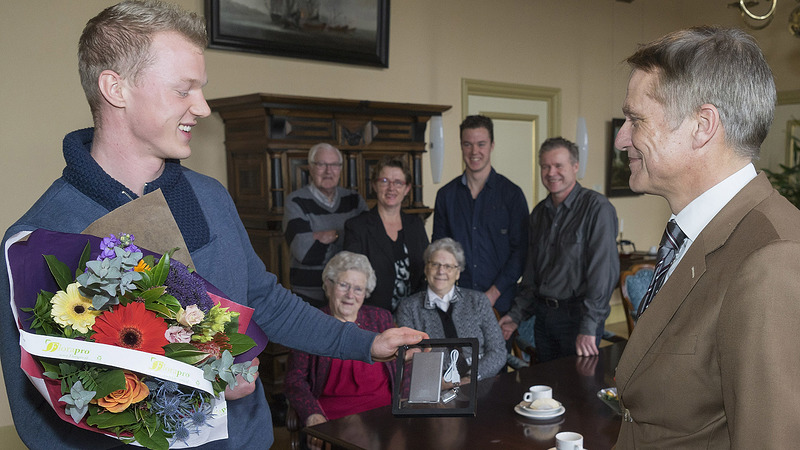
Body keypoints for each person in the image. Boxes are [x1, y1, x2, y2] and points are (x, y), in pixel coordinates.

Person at [0, 2, 425, 448]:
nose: (202, 107)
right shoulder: (38, 240)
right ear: (116, 88)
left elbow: (264, 302)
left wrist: (364, 343)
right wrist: (206, 392)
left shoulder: (210, 196)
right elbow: (42, 416)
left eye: (201, 89)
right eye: (184, 90)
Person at [612, 26, 800, 448]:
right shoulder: (695, 230)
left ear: (702, 126)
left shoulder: (774, 259)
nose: (622, 138)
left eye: (636, 119)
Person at [498, 137, 619, 362]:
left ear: (575, 167)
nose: (551, 172)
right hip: (544, 319)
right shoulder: (538, 214)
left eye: (558, 166)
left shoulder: (597, 209)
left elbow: (603, 275)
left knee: (579, 391)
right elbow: (532, 275)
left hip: (578, 319)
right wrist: (515, 315)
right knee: (546, 390)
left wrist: (589, 326)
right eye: (546, 166)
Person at [284, 252, 395, 449]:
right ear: (328, 284)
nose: (350, 295)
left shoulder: (381, 319)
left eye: (358, 288)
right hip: (332, 421)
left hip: (384, 416)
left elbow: (403, 366)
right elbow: (295, 379)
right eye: (344, 285)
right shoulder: (310, 324)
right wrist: (312, 415)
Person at [432, 115, 528, 315]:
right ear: (461, 146)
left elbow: (521, 252)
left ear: (492, 145)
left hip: (500, 305)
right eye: (468, 144)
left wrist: (493, 293)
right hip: (456, 304)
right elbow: (439, 250)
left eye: (481, 144)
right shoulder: (446, 196)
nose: (474, 151)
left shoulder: (512, 195)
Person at [396, 238, 506, 381]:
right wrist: (440, 383)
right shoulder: (409, 307)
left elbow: (498, 351)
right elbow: (411, 357)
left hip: (481, 382)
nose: (441, 271)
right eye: (435, 264)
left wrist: (470, 378)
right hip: (434, 387)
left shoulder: (478, 301)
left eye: (448, 266)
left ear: (458, 272)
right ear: (426, 268)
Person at [283, 143, 367, 307]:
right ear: (311, 168)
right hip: (308, 296)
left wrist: (327, 236)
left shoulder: (354, 200)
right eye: (321, 164)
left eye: (334, 165)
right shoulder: (295, 201)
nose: (329, 171)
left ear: (341, 169)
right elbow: (304, 252)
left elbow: (365, 245)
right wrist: (344, 236)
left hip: (349, 296)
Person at [344, 156, 429, 312]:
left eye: (398, 182)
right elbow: (352, 276)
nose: (391, 188)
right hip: (373, 316)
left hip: (414, 314)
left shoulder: (416, 225)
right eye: (384, 181)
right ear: (374, 185)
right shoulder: (357, 227)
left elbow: (427, 270)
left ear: (407, 188)